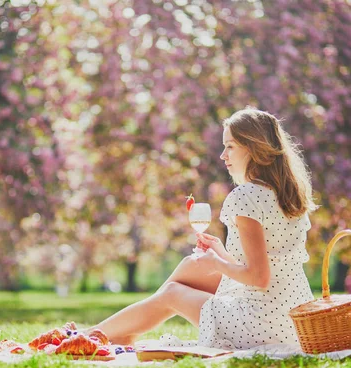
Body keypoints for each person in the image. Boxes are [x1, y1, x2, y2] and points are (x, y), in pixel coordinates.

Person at [88, 108, 318, 349]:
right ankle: (114, 332)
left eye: (230, 146)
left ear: (252, 148)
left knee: (172, 294)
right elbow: (268, 264)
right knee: (190, 266)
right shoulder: (288, 196)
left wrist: (217, 263)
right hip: (293, 320)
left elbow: (259, 278)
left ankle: (95, 334)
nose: (222, 155)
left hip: (261, 323)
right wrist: (220, 251)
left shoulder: (246, 196)